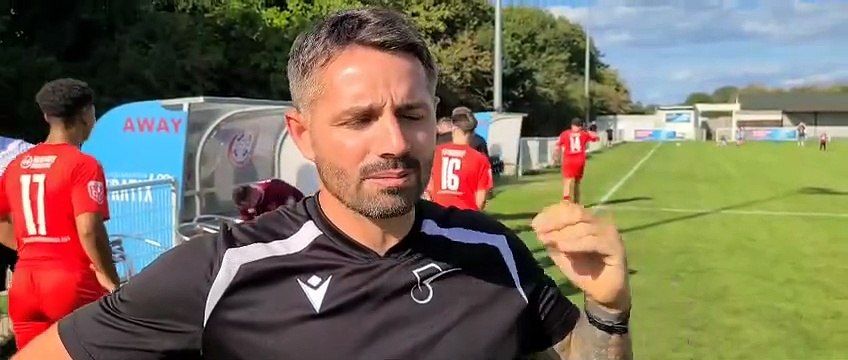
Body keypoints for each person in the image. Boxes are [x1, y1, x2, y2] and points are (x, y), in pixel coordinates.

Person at [15, 9, 631, 360]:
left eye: (412, 114)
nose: (394, 142)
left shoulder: (494, 252)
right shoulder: (222, 270)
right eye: (359, 120)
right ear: (303, 134)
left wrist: (606, 310)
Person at [0, 79, 119, 350]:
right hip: (72, 281)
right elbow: (89, 229)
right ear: (86, 115)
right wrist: (110, 278)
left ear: (46, 116)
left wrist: (30, 247)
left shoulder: (18, 164)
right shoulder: (83, 165)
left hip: (25, 281)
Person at [426, 111, 493, 211]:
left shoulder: (435, 153)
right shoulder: (481, 160)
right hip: (466, 215)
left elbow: (428, 186)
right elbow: (480, 200)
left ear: (453, 128)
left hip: (438, 213)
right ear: (473, 132)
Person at [557, 118, 599, 204]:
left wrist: (556, 158)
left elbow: (558, 146)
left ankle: (566, 200)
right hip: (579, 160)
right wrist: (588, 130)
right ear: (580, 126)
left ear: (572, 125)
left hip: (568, 160)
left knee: (567, 180)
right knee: (577, 181)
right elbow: (596, 137)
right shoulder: (583, 134)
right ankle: (576, 202)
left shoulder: (565, 134)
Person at [232, 178, 305, 221]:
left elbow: (295, 203)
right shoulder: (247, 209)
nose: (249, 208)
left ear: (253, 191)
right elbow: (248, 224)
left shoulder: (275, 187)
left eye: (249, 203)